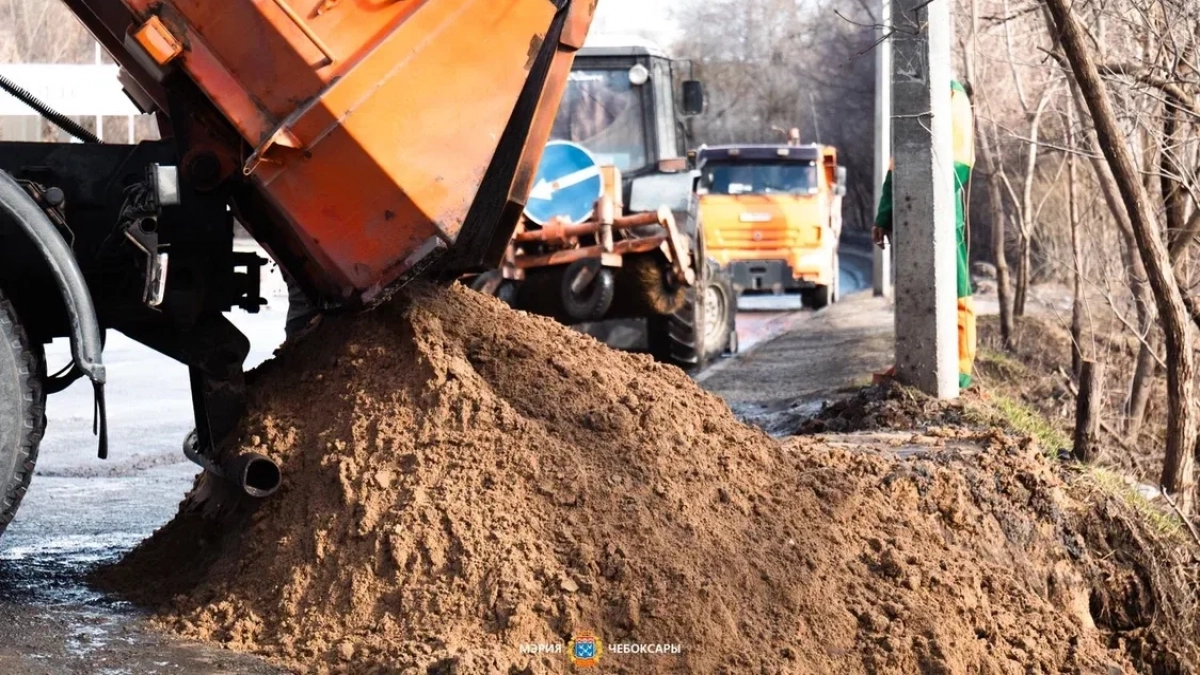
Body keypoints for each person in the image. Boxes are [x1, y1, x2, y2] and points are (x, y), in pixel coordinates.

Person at [872, 79, 977, 389]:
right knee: (915, 291)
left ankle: (958, 370)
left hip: (941, 217)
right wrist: (886, 213)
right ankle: (915, 364)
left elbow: (959, 163)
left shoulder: (951, 91)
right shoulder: (917, 90)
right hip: (911, 217)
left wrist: (918, 202)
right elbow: (898, 162)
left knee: (955, 293)